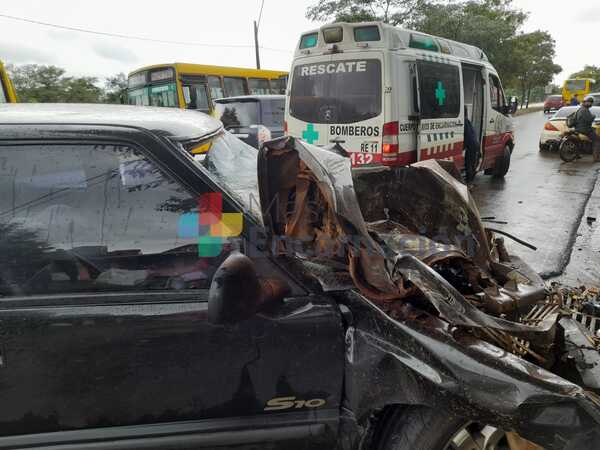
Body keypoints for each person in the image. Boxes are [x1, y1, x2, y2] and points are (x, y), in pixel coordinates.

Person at [572, 95, 600, 159]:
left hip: (578, 128)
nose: (591, 104)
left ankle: (577, 155)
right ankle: (596, 157)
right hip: (584, 129)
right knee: (597, 140)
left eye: (591, 102)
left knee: (580, 141)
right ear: (586, 102)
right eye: (590, 102)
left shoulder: (580, 109)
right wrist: (593, 116)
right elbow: (589, 119)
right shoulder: (584, 110)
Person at [464, 107, 480, 182]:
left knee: (468, 163)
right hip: (475, 144)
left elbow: (466, 136)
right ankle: (471, 179)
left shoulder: (464, 122)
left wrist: (463, 147)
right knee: (472, 163)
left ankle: (469, 181)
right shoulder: (468, 121)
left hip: (471, 145)